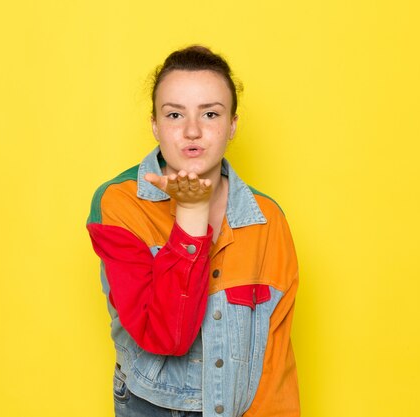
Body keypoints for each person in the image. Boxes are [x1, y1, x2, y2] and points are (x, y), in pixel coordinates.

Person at [86, 45, 300, 417]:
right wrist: (191, 213)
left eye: (211, 114)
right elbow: (168, 337)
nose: (192, 131)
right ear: (154, 124)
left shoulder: (266, 218)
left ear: (232, 125)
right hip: (152, 407)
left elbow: (273, 359)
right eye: (174, 114)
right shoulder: (118, 204)